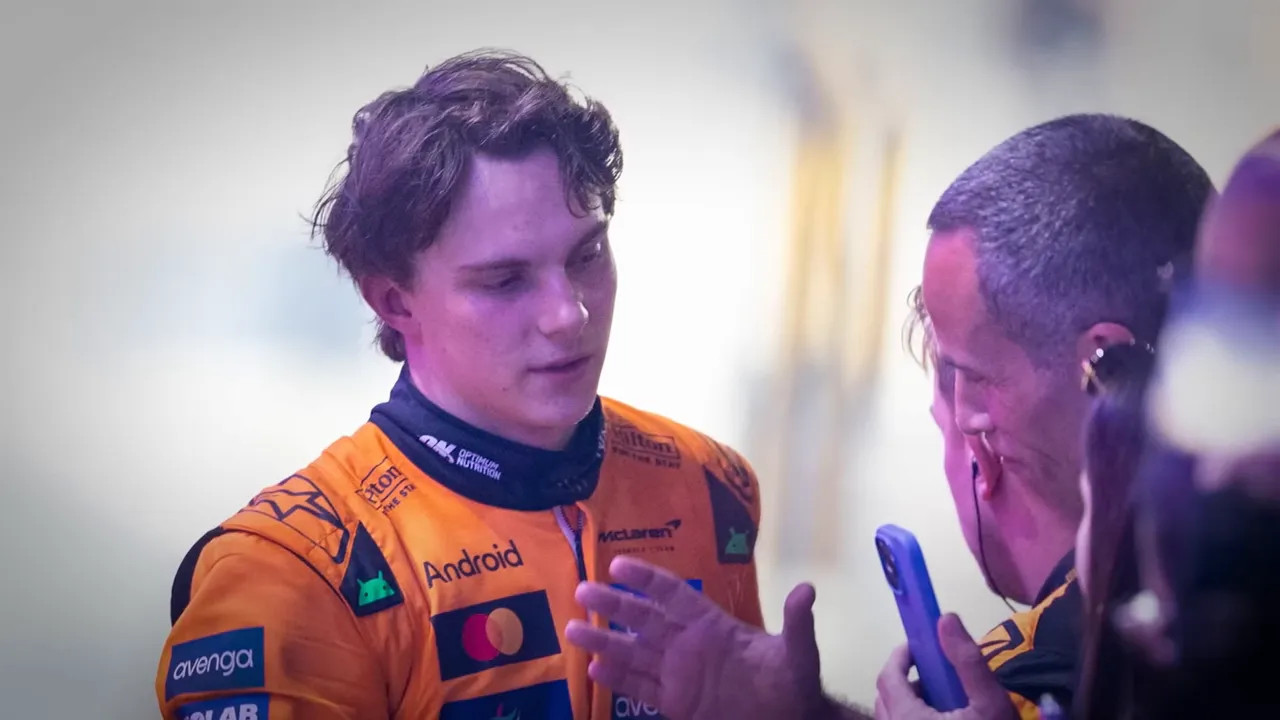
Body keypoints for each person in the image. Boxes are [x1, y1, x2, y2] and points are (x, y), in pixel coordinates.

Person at [154, 49, 767, 720]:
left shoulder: (709, 485)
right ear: (395, 301)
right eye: (505, 281)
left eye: (586, 255)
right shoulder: (292, 571)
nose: (569, 314)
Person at [564, 113, 1215, 719]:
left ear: (1101, 362)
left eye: (975, 376)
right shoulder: (1213, 574)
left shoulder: (1062, 665)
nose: (969, 418)